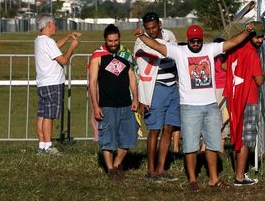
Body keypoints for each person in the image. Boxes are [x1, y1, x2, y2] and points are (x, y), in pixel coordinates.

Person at [134, 23, 255, 191]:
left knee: (213, 144)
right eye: (193, 41)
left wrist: (247, 32)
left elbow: (232, 43)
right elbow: (157, 46)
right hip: (189, 107)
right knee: (191, 146)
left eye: (198, 41)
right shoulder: (179, 51)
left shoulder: (210, 49)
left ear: (202, 39)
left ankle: (214, 179)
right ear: (188, 40)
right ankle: (192, 179)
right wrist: (141, 36)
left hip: (211, 106)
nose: (196, 44)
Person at [88, 25, 139, 180]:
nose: (113, 43)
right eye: (110, 41)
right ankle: (110, 170)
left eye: (116, 40)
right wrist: (95, 105)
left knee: (129, 137)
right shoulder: (98, 56)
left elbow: (132, 77)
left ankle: (117, 164)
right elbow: (93, 82)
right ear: (105, 40)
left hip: (125, 103)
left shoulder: (125, 54)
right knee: (107, 140)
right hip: (107, 104)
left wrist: (135, 98)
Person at [134, 11, 180, 181]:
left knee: (168, 129)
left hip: (173, 87)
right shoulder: (140, 41)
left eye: (153, 27)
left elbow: (174, 54)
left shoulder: (170, 35)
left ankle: (161, 169)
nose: (151, 31)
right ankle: (151, 170)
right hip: (155, 90)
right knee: (154, 130)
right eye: (147, 29)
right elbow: (158, 53)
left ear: (159, 24)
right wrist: (141, 98)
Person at [34, 14, 82, 155]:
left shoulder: (39, 40)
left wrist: (67, 38)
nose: (56, 27)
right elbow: (63, 60)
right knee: (49, 116)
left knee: (42, 115)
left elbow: (54, 46)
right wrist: (72, 47)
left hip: (43, 83)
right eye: (55, 24)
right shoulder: (47, 42)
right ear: (49, 25)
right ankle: (49, 146)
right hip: (53, 83)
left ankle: (42, 145)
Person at [224, 22, 265, 186]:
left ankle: (239, 172)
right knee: (246, 139)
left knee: (237, 136)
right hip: (248, 99)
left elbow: (222, 65)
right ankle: (240, 177)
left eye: (262, 37)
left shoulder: (234, 50)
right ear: (249, 35)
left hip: (233, 97)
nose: (260, 40)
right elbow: (259, 79)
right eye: (257, 37)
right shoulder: (252, 53)